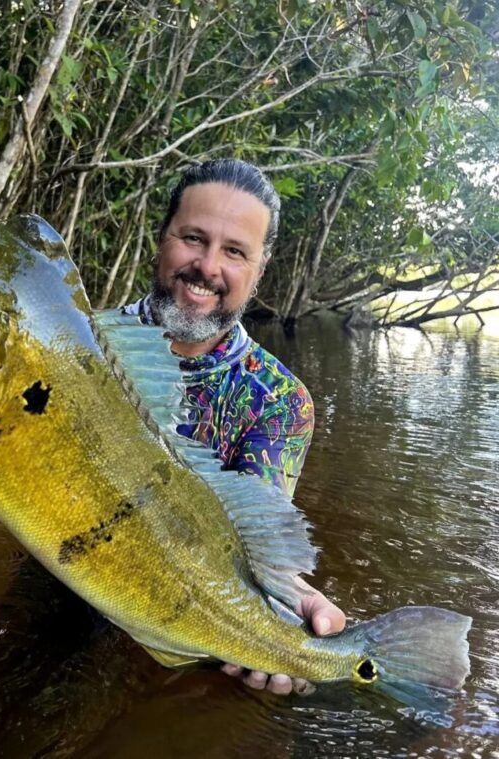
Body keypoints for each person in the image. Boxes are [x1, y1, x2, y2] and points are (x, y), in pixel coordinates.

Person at [122, 159, 346, 696]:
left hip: (190, 617)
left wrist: (289, 601)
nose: (206, 267)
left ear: (258, 271)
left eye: (234, 251)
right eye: (193, 238)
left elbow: (254, 543)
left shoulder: (280, 402)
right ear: (161, 239)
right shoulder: (79, 346)